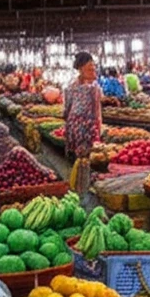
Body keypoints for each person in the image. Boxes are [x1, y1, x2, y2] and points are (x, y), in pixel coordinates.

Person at [62, 51, 102, 193]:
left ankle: (76, 187)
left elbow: (66, 110)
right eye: (90, 69)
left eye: (94, 68)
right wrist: (99, 129)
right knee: (85, 159)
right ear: (81, 69)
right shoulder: (93, 88)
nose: (93, 71)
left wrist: (67, 124)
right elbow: (97, 112)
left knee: (79, 159)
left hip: (74, 126)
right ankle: (83, 189)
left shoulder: (70, 86)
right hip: (85, 128)